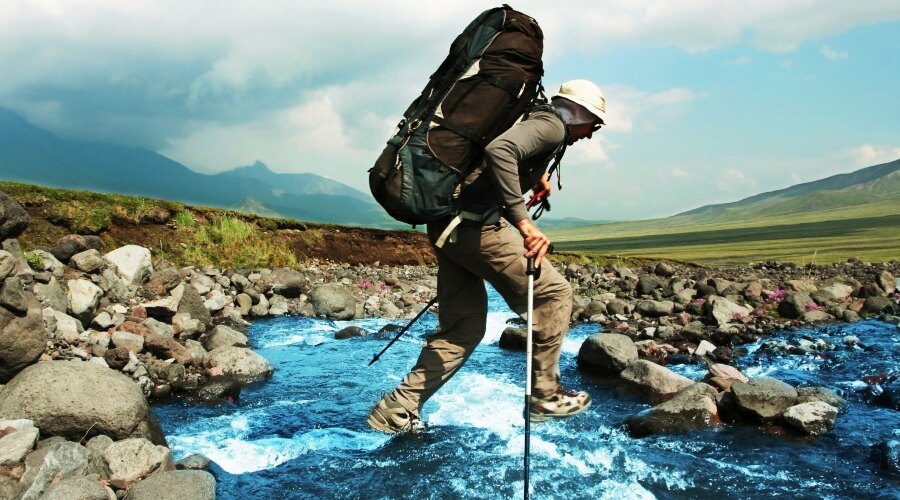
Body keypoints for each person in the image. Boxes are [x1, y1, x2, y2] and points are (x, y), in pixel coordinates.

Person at [368, 79, 608, 434]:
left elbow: (503, 152)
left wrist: (538, 176)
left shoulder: (536, 116)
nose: (591, 134)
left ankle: (397, 408)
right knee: (555, 294)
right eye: (594, 124)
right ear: (579, 114)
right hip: (475, 228)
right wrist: (525, 224)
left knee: (462, 329)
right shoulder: (553, 126)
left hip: (447, 225)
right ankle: (544, 394)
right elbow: (501, 150)